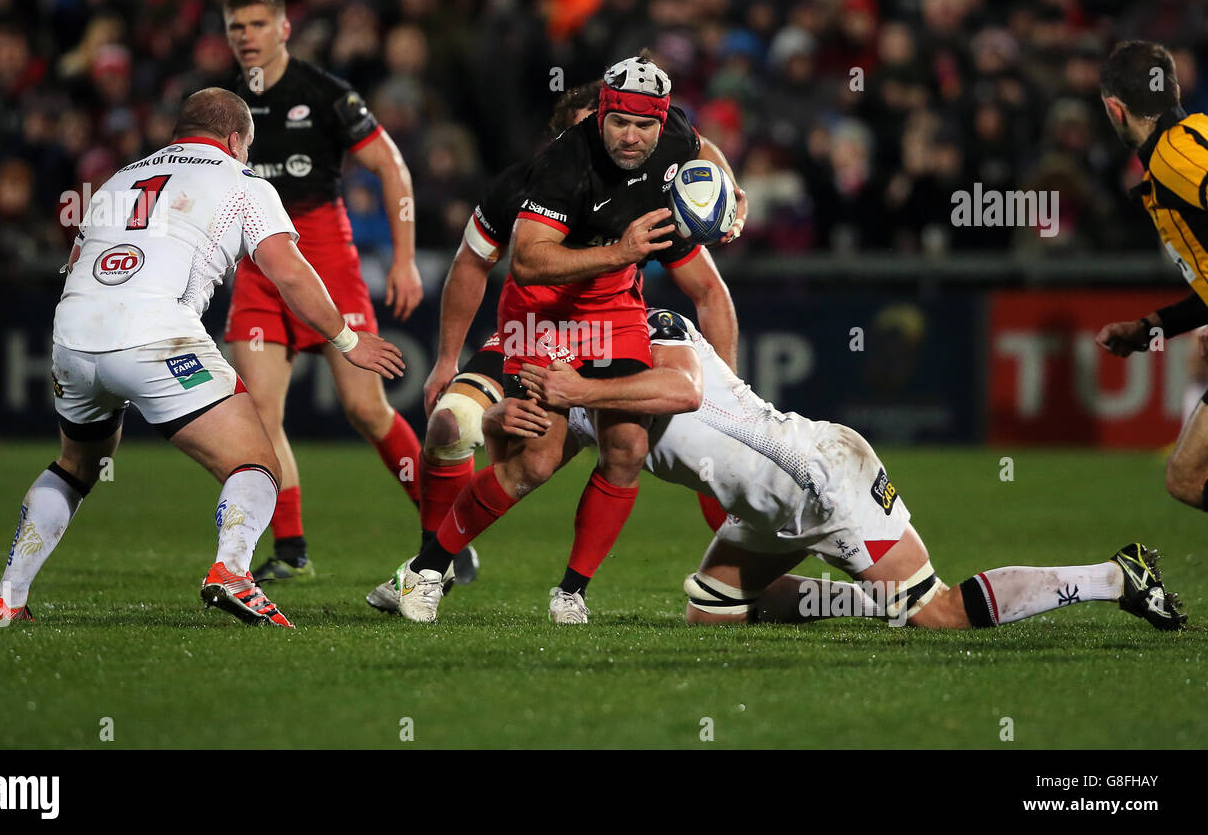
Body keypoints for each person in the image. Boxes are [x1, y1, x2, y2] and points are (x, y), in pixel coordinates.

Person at [0, 88, 405, 627]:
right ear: (234, 140)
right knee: (256, 461)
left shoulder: (118, 178)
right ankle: (232, 572)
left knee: (76, 466)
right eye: (246, 146)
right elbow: (289, 271)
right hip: (156, 334)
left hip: (72, 333)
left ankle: (7, 598)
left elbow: (79, 258)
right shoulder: (242, 182)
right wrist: (347, 339)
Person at [511, 309, 1185, 631]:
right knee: (712, 611)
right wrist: (494, 422)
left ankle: (1113, 576)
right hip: (770, 510)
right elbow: (528, 462)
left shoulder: (650, 327)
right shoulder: (573, 376)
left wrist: (577, 393)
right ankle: (871, 600)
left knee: (939, 613)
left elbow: (679, 392)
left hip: (821, 479)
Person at [391, 56, 746, 624]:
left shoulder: (672, 133)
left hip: (617, 315)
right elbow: (528, 264)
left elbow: (704, 150)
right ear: (599, 116)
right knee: (533, 462)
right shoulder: (561, 167)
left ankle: (571, 593)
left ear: (661, 121)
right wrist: (624, 253)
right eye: (619, 122)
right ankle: (428, 568)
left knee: (627, 449)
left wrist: (734, 192)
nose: (631, 136)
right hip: (543, 323)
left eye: (644, 124)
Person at [222, 0, 424, 583]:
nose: (247, 37)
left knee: (365, 407)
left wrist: (404, 258)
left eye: (258, 24)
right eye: (236, 27)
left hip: (326, 255)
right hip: (258, 263)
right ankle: (291, 551)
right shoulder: (225, 103)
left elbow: (392, 166)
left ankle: (444, 532)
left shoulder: (328, 95)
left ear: (284, 29)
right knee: (259, 416)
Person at [1094, 40, 1208, 512]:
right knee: (1185, 476)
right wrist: (1150, 327)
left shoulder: (1177, 161)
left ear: (1115, 108)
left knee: (1188, 475)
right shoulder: (1192, 136)